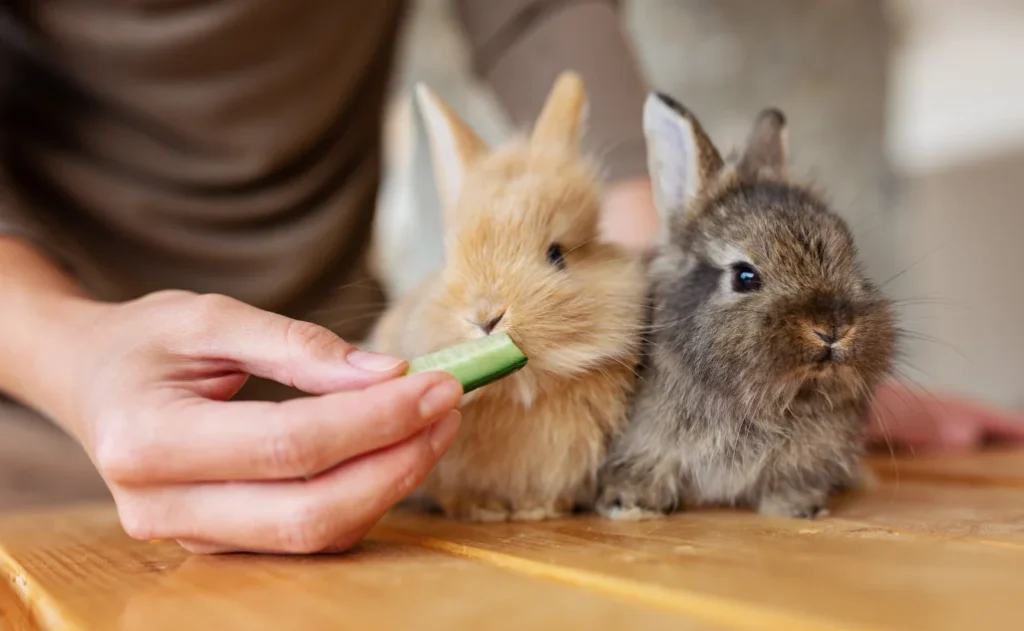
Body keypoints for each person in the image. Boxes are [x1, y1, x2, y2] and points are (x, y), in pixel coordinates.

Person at [0, 1, 1021, 554]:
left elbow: (534, 17)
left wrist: (774, 380)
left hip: (357, 394)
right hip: (41, 438)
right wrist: (60, 347)